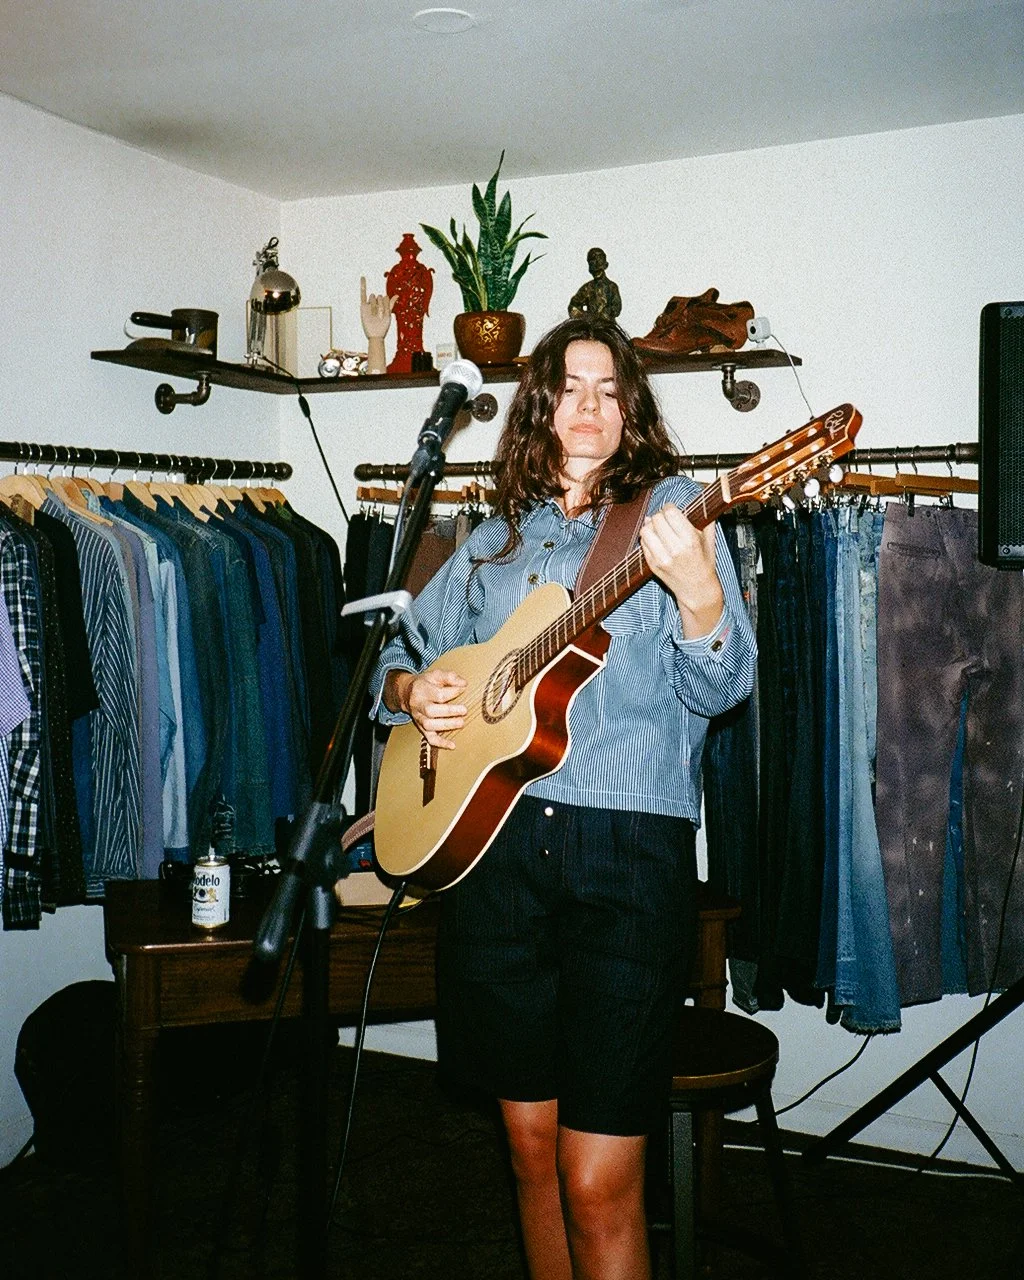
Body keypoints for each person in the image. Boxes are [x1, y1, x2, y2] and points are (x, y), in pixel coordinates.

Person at [370, 315, 756, 1280]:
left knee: (597, 1180)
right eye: (571, 388)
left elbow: (723, 687)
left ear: (632, 413)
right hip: (494, 861)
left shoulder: (675, 514)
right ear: (540, 409)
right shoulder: (492, 540)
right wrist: (414, 693)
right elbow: (393, 659)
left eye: (610, 390)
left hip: (626, 863)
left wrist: (700, 594)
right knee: (530, 1152)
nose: (590, 405)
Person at [567, 247, 622, 322]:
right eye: (592, 262)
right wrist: (583, 316)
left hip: (608, 325)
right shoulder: (587, 288)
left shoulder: (612, 287)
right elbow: (574, 304)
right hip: (590, 325)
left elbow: (617, 307)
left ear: (605, 265)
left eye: (597, 262)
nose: (594, 266)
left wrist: (604, 314)